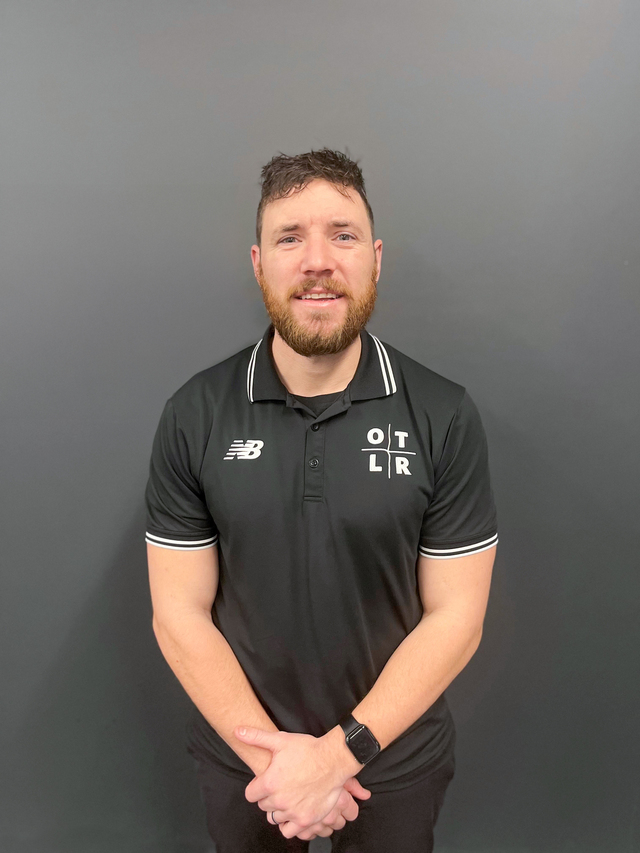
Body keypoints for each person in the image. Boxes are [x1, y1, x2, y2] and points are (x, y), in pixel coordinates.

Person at [145, 148, 498, 852]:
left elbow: (457, 616)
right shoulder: (195, 414)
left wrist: (338, 758)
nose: (317, 261)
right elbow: (178, 612)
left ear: (375, 259)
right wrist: (279, 769)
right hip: (247, 758)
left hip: (392, 758)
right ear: (258, 264)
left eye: (342, 235)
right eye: (289, 237)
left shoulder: (443, 415)